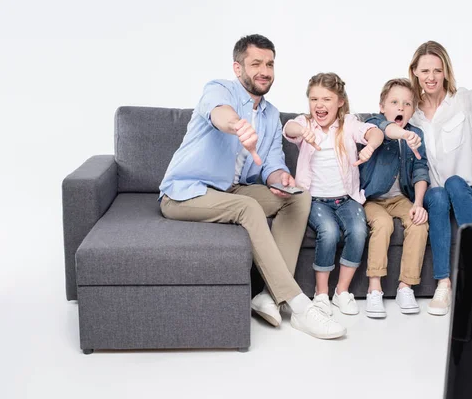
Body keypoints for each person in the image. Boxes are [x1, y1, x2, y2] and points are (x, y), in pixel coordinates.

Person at [158, 34, 346, 340]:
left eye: (269, 64)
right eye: (256, 63)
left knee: (297, 198)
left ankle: (269, 297)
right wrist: (237, 125)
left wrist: (280, 179)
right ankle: (298, 305)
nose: (265, 71)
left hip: (231, 190)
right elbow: (219, 113)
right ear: (238, 67)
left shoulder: (271, 115)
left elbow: (271, 164)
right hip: (185, 193)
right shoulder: (220, 90)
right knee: (248, 206)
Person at [408, 41, 472, 316]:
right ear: (415, 71)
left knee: (452, 183)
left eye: (437, 70)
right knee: (438, 193)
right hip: (434, 194)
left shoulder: (461, 99)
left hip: (466, 191)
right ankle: (444, 284)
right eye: (425, 70)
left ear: (446, 72)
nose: (431, 77)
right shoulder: (411, 112)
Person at [283, 72, 384, 316]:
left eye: (326, 99)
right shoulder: (305, 123)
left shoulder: (348, 124)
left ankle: (341, 291)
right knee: (328, 232)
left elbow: (374, 131)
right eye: (314, 99)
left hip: (346, 198)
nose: (319, 105)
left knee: (359, 230)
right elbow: (288, 127)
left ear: (339, 101)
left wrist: (370, 145)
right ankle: (321, 294)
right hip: (315, 199)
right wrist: (302, 131)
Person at [359, 78, 430, 318]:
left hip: (400, 199)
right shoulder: (372, 124)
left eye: (407, 104)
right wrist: (402, 135)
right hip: (372, 198)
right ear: (382, 106)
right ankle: (374, 289)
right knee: (383, 224)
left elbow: (421, 170)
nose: (401, 108)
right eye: (394, 102)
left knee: (419, 223)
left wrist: (418, 204)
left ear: (413, 110)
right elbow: (386, 132)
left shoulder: (416, 133)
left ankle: (405, 287)